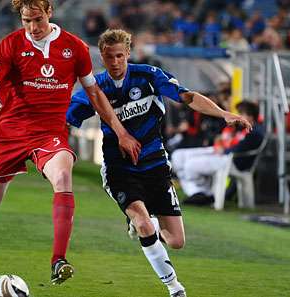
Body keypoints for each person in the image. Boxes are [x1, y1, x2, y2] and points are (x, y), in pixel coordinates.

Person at [0, 0, 140, 286]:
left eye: (37, 19)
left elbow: (95, 94)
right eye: (26, 21)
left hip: (50, 133)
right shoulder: (11, 44)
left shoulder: (75, 48)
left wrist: (121, 132)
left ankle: (58, 260)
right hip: (10, 133)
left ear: (50, 13)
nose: (32, 27)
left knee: (63, 175)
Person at [66, 29, 252, 297]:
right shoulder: (94, 88)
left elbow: (187, 97)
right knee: (144, 224)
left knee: (176, 241)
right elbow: (66, 119)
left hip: (154, 164)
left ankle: (144, 221)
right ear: (102, 58)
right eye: (109, 57)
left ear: (128, 54)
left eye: (120, 56)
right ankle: (174, 287)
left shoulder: (149, 76)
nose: (115, 62)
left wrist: (223, 113)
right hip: (119, 167)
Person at [172, 101, 264, 205]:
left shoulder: (255, 131)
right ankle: (199, 192)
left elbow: (239, 149)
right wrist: (219, 140)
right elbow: (221, 137)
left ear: (250, 116)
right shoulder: (238, 126)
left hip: (232, 160)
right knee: (178, 156)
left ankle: (201, 193)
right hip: (220, 152)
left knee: (190, 165)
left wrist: (224, 150)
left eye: (241, 113)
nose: (239, 116)